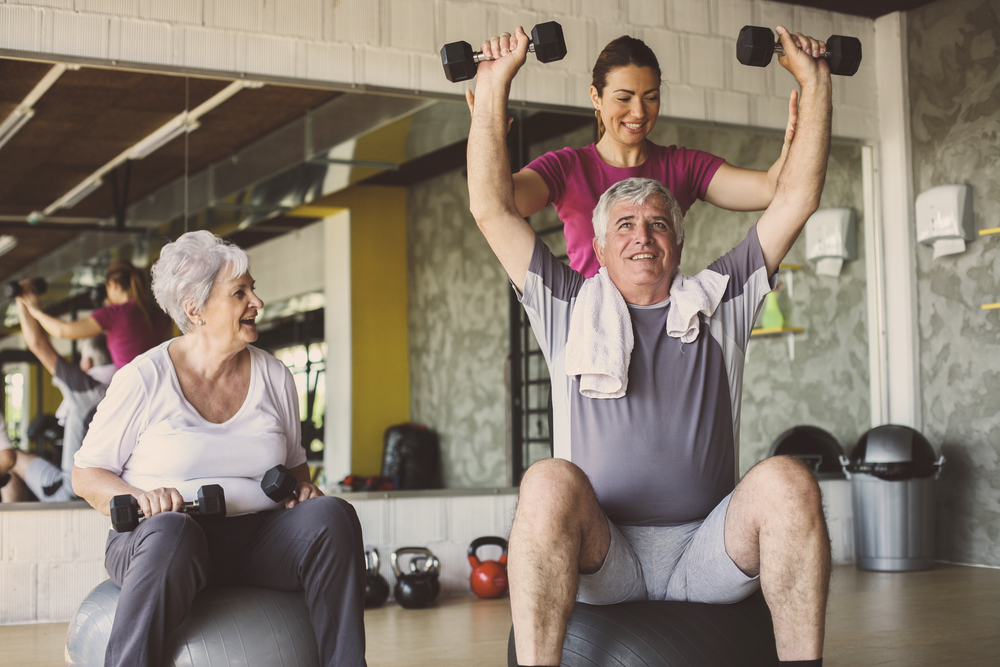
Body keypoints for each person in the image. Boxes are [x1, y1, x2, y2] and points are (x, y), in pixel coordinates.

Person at [467, 25, 832, 667]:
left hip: (708, 550)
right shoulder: (570, 308)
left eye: (659, 223)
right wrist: (494, 88)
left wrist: (816, 83)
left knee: (789, 480)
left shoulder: (720, 299)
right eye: (626, 226)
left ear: (681, 244)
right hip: (607, 555)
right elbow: (493, 208)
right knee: (547, 482)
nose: (643, 236)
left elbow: (794, 196)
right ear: (598, 248)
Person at [72, 230, 366, 667]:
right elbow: (86, 473)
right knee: (174, 532)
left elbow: (297, 471)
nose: (257, 302)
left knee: (332, 516)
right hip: (159, 541)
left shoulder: (275, 377)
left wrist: (303, 494)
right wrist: (140, 499)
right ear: (196, 309)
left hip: (256, 539)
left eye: (253, 289)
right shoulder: (143, 378)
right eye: (239, 292)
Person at [467, 34, 798, 279]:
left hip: (662, 326)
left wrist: (796, 138)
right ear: (595, 97)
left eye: (650, 97)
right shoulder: (567, 167)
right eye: (624, 97)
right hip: (590, 333)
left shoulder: (682, 166)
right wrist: (488, 111)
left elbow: (772, 189)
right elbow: (497, 204)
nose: (639, 112)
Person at [0, 282, 113, 503]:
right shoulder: (125, 382)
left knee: (10, 460)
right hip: (108, 485)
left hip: (71, 491)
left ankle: (8, 530)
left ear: (88, 362)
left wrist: (24, 302)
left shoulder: (86, 387)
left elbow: (37, 344)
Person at [20, 260, 170, 369]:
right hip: (160, 382)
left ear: (113, 284)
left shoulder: (114, 314)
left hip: (132, 386)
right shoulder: (158, 314)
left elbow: (63, 330)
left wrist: (36, 312)